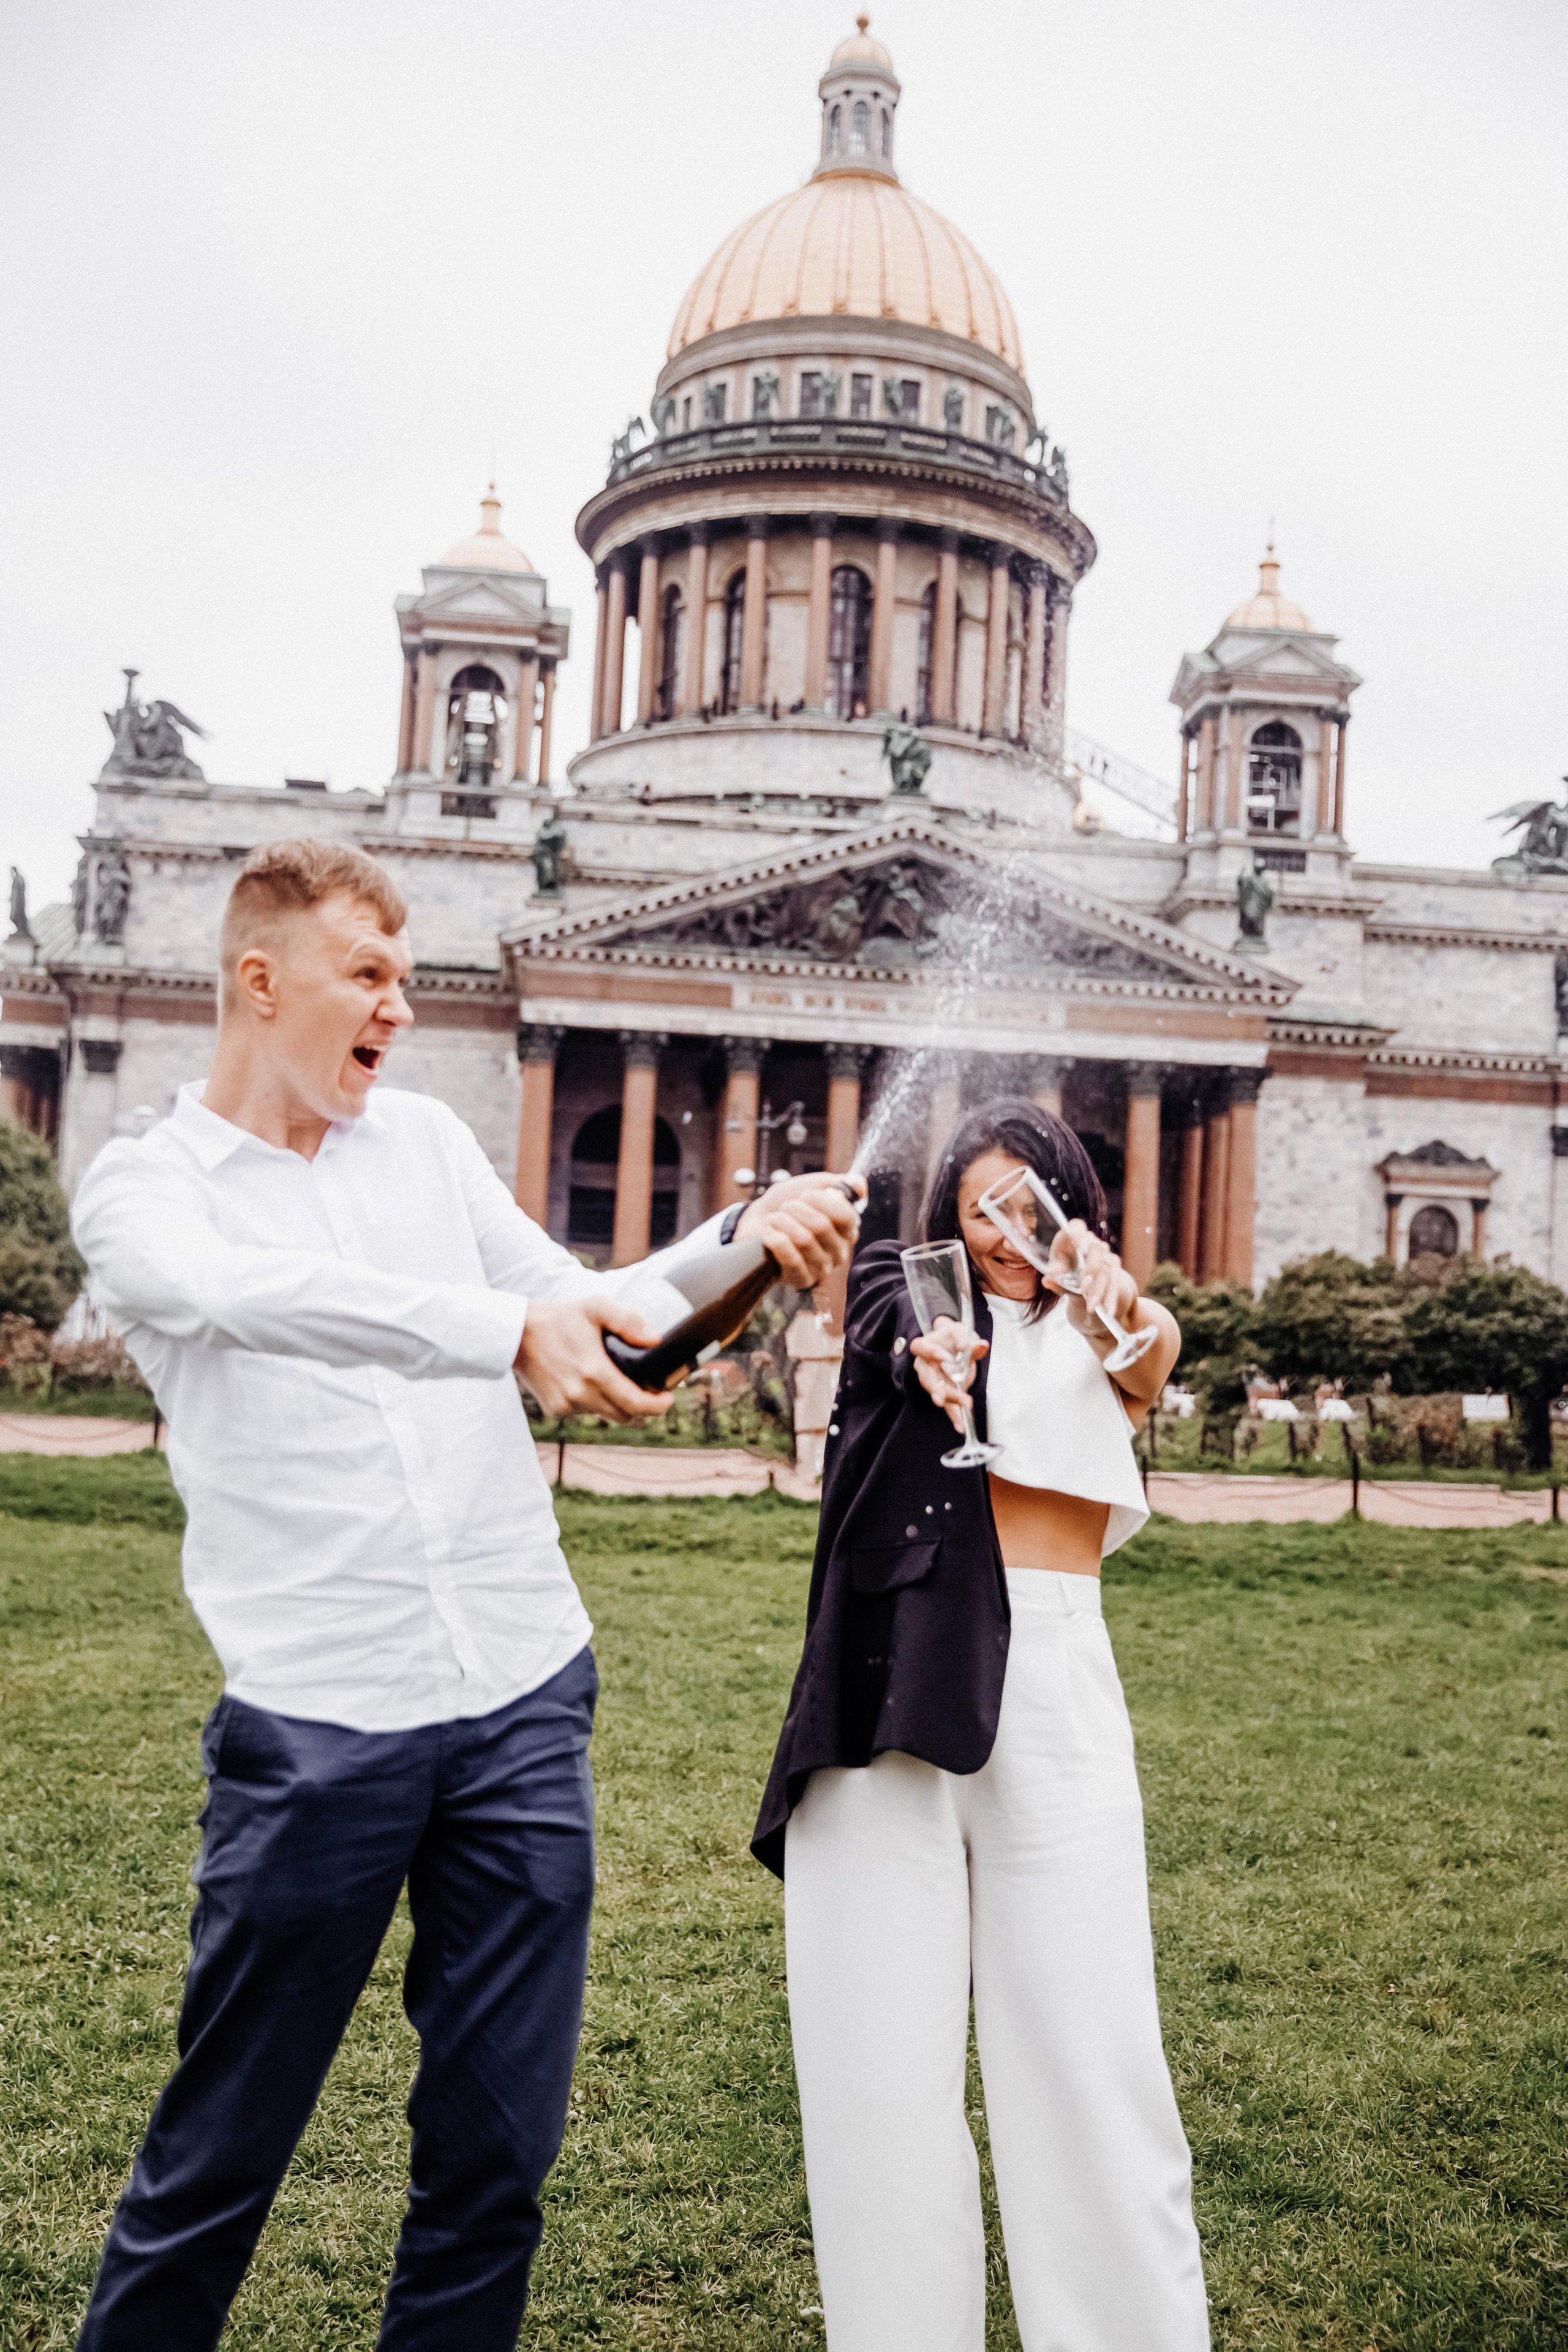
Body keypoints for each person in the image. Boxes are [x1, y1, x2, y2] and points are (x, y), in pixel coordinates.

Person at [69, 837, 858, 2352]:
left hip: (518, 1699)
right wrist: (500, 1334)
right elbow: (251, 1299)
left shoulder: (424, 1145)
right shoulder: (144, 1193)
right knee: (218, 2162)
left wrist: (738, 1247)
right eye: (366, 977)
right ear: (259, 983)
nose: (399, 1010)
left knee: (493, 2166)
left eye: (406, 980)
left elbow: (589, 1303)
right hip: (320, 1732)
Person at [753, 1097, 1208, 2352]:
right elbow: (902, 1330)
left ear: (1070, 1203)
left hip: (1055, 1686)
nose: (1002, 1233)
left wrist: (1089, 1281)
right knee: (877, 2084)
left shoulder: (1111, 1323)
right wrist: (932, 1354)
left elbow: (1147, 1356)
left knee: (1089, 2056)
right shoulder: (905, 1298)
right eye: (979, 1209)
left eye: (1028, 1204)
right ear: (946, 1217)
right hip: (889, 1687)